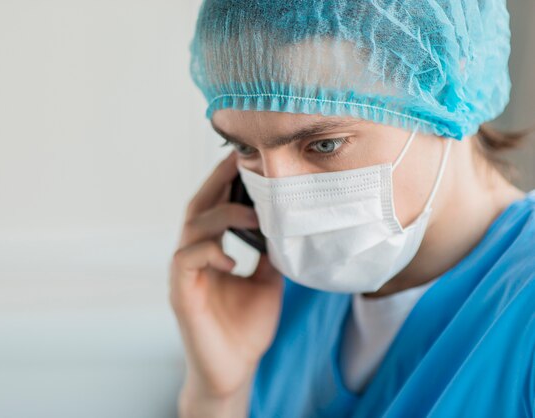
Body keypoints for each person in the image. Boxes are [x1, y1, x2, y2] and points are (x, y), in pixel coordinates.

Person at [169, 1, 535, 417]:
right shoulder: (276, 298)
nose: (284, 205)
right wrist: (216, 396)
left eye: (324, 144)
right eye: (244, 147)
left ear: (448, 82)